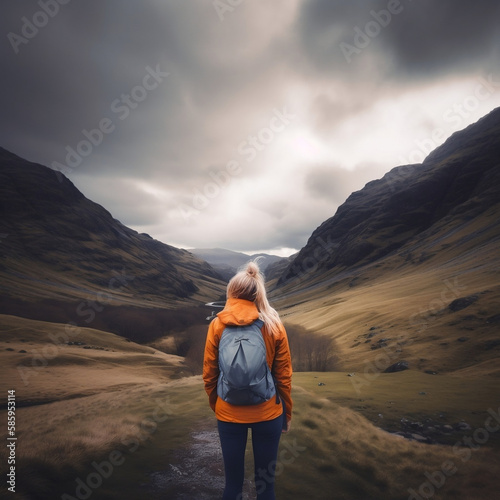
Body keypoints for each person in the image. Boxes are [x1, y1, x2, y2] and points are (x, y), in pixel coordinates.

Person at [203, 261, 293, 500]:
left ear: (231, 293)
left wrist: (218, 404)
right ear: (257, 293)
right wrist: (287, 412)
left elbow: (209, 372)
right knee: (265, 487)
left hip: (229, 414)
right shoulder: (274, 324)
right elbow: (283, 375)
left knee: (232, 486)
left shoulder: (217, 324)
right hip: (268, 414)